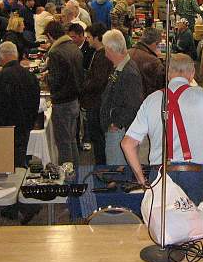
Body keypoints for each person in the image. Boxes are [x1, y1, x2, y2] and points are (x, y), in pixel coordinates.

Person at [121, 54, 203, 206]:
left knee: (163, 228)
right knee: (198, 227)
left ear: (168, 74)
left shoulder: (151, 99)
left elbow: (127, 144)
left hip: (160, 176)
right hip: (195, 176)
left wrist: (142, 180)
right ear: (192, 73)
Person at [0, 41, 39, 167]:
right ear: (17, 54)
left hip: (4, 130)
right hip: (24, 128)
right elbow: (36, 103)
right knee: (20, 162)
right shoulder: (30, 76)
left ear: (1, 58)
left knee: (5, 165)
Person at [44, 21, 84, 176]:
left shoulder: (56, 52)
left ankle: (67, 175)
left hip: (62, 102)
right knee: (72, 139)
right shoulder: (74, 48)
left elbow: (56, 80)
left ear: (50, 36)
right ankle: (76, 172)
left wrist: (47, 78)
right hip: (74, 100)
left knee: (63, 142)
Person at [100, 29, 143, 165]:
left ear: (110, 49)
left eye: (105, 50)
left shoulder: (128, 72)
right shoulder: (120, 68)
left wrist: (116, 124)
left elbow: (134, 105)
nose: (105, 54)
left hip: (120, 132)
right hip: (118, 130)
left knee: (117, 170)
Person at [81, 23, 113, 165]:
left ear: (97, 38)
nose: (86, 40)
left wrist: (84, 85)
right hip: (96, 102)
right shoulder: (99, 53)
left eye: (88, 37)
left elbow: (98, 81)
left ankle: (101, 167)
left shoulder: (102, 56)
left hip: (96, 104)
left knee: (98, 138)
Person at [128, 27, 165, 99]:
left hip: (126, 100)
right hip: (145, 101)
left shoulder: (126, 53)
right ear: (155, 43)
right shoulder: (154, 62)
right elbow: (160, 86)